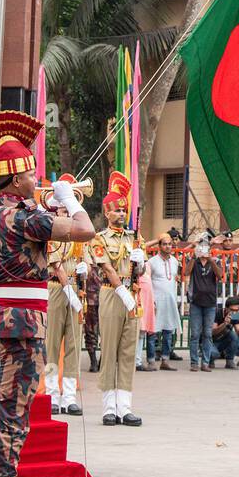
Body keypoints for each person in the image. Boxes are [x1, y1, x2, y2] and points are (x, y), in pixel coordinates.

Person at [0, 110, 96, 477]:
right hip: (23, 323)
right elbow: (85, 230)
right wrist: (70, 197)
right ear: (17, 179)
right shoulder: (26, 218)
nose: (34, 178)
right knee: (13, 416)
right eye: (30, 173)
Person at [89, 171, 143, 424]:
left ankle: (125, 406)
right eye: (116, 211)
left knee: (128, 350)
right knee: (109, 348)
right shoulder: (100, 238)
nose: (121, 214)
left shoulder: (135, 238)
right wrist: (121, 290)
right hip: (112, 294)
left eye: (124, 211)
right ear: (107, 213)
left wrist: (140, 263)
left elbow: (138, 271)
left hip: (133, 294)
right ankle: (109, 407)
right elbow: (107, 267)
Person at [40, 175, 87, 415]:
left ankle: (69, 396)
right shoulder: (50, 233)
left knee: (73, 344)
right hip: (56, 289)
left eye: (66, 210)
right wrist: (68, 288)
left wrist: (84, 271)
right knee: (52, 342)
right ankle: (51, 393)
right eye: (59, 210)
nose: (63, 214)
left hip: (76, 291)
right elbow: (55, 264)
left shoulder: (77, 235)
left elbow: (83, 259)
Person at [184, 237, 224, 371]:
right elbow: (186, 272)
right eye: (201, 247)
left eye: (205, 247)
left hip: (210, 303)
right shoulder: (194, 261)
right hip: (195, 302)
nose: (203, 250)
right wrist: (194, 256)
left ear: (210, 249)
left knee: (207, 334)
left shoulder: (216, 261)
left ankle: (205, 362)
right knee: (195, 334)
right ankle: (194, 362)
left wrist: (210, 259)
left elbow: (220, 275)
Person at [147, 234, 181, 369]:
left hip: (170, 302)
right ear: (159, 246)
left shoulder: (175, 261)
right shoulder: (152, 262)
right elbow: (148, 282)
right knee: (152, 332)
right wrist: (151, 301)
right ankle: (151, 361)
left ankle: (165, 361)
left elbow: (173, 280)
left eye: (170, 244)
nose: (168, 247)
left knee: (168, 331)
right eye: (165, 244)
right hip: (156, 301)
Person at [209, 295, 239, 369]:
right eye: (232, 310)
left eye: (236, 310)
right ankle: (209, 360)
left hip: (221, 342)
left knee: (233, 335)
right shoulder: (217, 312)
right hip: (209, 341)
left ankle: (230, 361)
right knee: (214, 354)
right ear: (226, 308)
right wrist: (224, 324)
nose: (234, 312)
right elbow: (213, 332)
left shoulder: (236, 315)